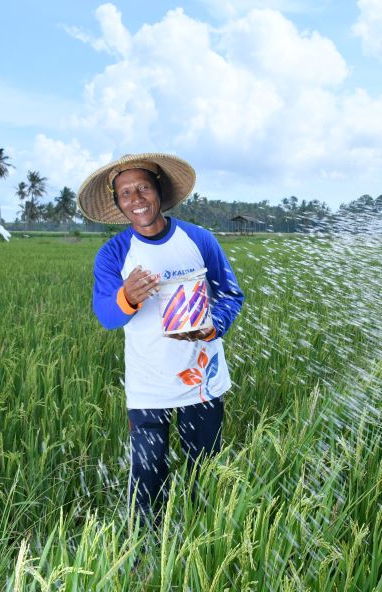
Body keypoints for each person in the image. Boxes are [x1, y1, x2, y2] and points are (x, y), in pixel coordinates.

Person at [78, 153, 244, 523]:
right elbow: (106, 316)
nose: (135, 199)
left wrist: (214, 325)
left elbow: (231, 294)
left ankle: (203, 542)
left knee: (206, 474)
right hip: (148, 385)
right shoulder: (113, 254)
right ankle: (145, 554)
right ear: (118, 204)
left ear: (158, 191)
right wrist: (128, 297)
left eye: (142, 188)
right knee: (148, 481)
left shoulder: (199, 239)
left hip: (202, 380)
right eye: (125, 193)